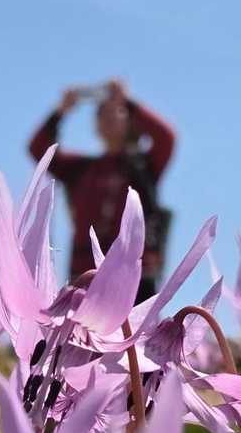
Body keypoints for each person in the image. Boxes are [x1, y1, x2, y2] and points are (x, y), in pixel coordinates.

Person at [27, 80, 176, 299]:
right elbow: (38, 150)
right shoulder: (81, 169)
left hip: (135, 277)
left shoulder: (144, 166)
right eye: (102, 113)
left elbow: (167, 138)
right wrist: (61, 111)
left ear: (130, 121)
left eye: (118, 111)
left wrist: (129, 101)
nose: (110, 116)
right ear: (96, 125)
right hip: (85, 275)